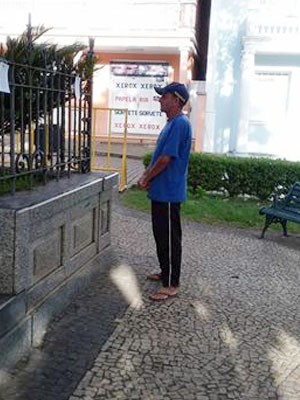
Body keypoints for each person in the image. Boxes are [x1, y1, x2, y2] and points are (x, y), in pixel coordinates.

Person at [138, 82, 192, 301]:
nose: (160, 99)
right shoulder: (172, 123)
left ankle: (171, 284)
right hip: (162, 192)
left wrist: (146, 177)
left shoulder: (180, 124)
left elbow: (166, 159)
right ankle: (165, 272)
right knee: (161, 235)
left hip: (169, 193)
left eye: (164, 96)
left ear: (176, 100)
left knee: (169, 238)